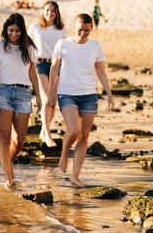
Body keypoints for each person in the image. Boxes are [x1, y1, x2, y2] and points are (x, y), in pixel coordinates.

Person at [49, 13, 115, 186]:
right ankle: (64, 155)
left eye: (87, 30)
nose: (83, 33)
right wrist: (50, 93)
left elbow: (100, 71)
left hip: (89, 95)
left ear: (91, 28)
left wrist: (109, 94)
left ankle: (75, 177)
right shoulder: (62, 44)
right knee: (74, 129)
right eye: (80, 30)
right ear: (73, 27)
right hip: (67, 93)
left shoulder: (95, 46)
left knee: (84, 136)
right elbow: (54, 69)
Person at [0, 13, 41, 188]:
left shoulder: (29, 49)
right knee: (4, 137)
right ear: (6, 30)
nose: (14, 34)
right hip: (2, 92)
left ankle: (6, 162)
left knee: (19, 141)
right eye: (11, 30)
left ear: (22, 31)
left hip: (24, 93)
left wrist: (39, 95)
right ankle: (8, 178)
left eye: (17, 30)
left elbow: (33, 73)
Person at [28, 1, 68, 148]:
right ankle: (47, 133)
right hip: (40, 64)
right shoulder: (35, 27)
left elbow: (66, 49)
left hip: (56, 65)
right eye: (47, 10)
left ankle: (43, 132)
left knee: (53, 101)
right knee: (45, 100)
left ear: (56, 13)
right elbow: (27, 45)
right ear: (42, 11)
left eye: (52, 10)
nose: (49, 13)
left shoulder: (61, 30)